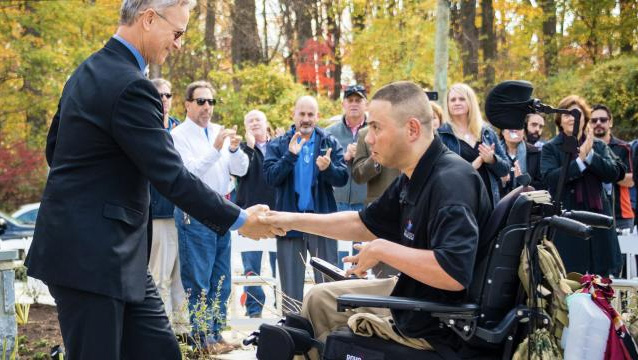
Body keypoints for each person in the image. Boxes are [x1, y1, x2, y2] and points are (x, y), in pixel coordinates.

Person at [24, 1, 281, 359]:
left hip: (120, 257)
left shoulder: (85, 72)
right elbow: (172, 175)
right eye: (177, 33)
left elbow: (56, 151)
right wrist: (240, 220)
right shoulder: (132, 86)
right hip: (92, 258)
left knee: (160, 351)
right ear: (148, 19)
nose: (178, 44)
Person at [260, 81, 492, 358]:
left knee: (314, 320)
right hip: (416, 296)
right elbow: (362, 223)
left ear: (412, 129)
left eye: (377, 127)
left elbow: (454, 273)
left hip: (437, 322)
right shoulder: (412, 175)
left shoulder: (451, 181)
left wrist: (383, 250)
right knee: (319, 298)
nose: (368, 138)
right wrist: (290, 220)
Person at [170, 80, 249, 353]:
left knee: (221, 279)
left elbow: (240, 170)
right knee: (199, 280)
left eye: (211, 102)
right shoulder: (178, 135)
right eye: (201, 101)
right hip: (195, 213)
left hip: (222, 210)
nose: (207, 107)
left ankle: (216, 334)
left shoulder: (219, 131)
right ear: (188, 104)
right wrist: (215, 148)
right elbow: (188, 175)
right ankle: (201, 339)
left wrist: (236, 150)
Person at [263, 95, 348, 304]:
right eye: (302, 114)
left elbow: (343, 178)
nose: (306, 119)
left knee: (328, 285)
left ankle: (328, 332)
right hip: (290, 223)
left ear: (317, 117)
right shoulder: (279, 144)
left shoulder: (329, 142)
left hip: (322, 224)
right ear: (294, 114)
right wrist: (290, 156)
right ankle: (293, 333)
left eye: (311, 114)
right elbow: (270, 178)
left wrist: (328, 169)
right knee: (291, 290)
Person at [541, 95, 624, 276]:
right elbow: (550, 179)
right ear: (559, 121)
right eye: (567, 115)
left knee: (602, 279)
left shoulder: (598, 146)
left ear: (585, 119)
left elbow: (616, 172)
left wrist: (591, 157)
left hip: (598, 219)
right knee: (571, 278)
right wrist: (579, 161)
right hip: (567, 221)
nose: (572, 118)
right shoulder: (550, 148)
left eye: (576, 114)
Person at [148, 78, 189, 336]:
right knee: (158, 276)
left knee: (180, 278)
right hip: (158, 213)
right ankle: (160, 332)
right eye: (158, 95)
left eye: (167, 95)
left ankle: (183, 331)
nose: (163, 99)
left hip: (182, 214)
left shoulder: (179, 129)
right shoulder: (145, 128)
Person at [234, 109, 278, 318]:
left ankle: (284, 308)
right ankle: (254, 311)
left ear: (266, 122)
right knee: (251, 268)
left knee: (281, 266)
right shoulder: (241, 150)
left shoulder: (277, 146)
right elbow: (239, 172)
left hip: (278, 213)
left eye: (257, 119)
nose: (254, 123)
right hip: (249, 215)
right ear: (245, 127)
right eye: (249, 121)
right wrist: (250, 148)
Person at [438, 83, 509, 206]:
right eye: (452, 100)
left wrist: (492, 159)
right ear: (447, 104)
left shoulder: (487, 132)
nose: (457, 103)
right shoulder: (441, 135)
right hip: (458, 202)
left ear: (470, 102)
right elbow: (439, 173)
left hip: (488, 201)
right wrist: (471, 167)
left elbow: (505, 170)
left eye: (462, 99)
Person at [326, 85, 368, 269]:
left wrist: (360, 154)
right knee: (337, 256)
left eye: (358, 100)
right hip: (337, 200)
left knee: (362, 256)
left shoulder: (376, 129)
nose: (354, 104)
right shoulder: (330, 132)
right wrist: (344, 157)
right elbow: (323, 163)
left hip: (366, 201)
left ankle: (361, 294)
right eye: (350, 100)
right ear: (343, 104)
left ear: (366, 104)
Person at [591, 103, 635, 230]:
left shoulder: (624, 147)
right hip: (593, 214)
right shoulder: (584, 149)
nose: (598, 123)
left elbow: (631, 180)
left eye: (603, 120)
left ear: (610, 122)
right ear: (589, 124)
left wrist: (604, 171)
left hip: (621, 215)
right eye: (594, 120)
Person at [498, 128, 543, 196]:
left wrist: (523, 180)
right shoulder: (493, 154)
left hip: (526, 204)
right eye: (510, 127)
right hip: (499, 204)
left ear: (523, 131)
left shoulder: (536, 153)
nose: (514, 130)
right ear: (503, 132)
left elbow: (542, 186)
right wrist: (502, 182)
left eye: (518, 127)